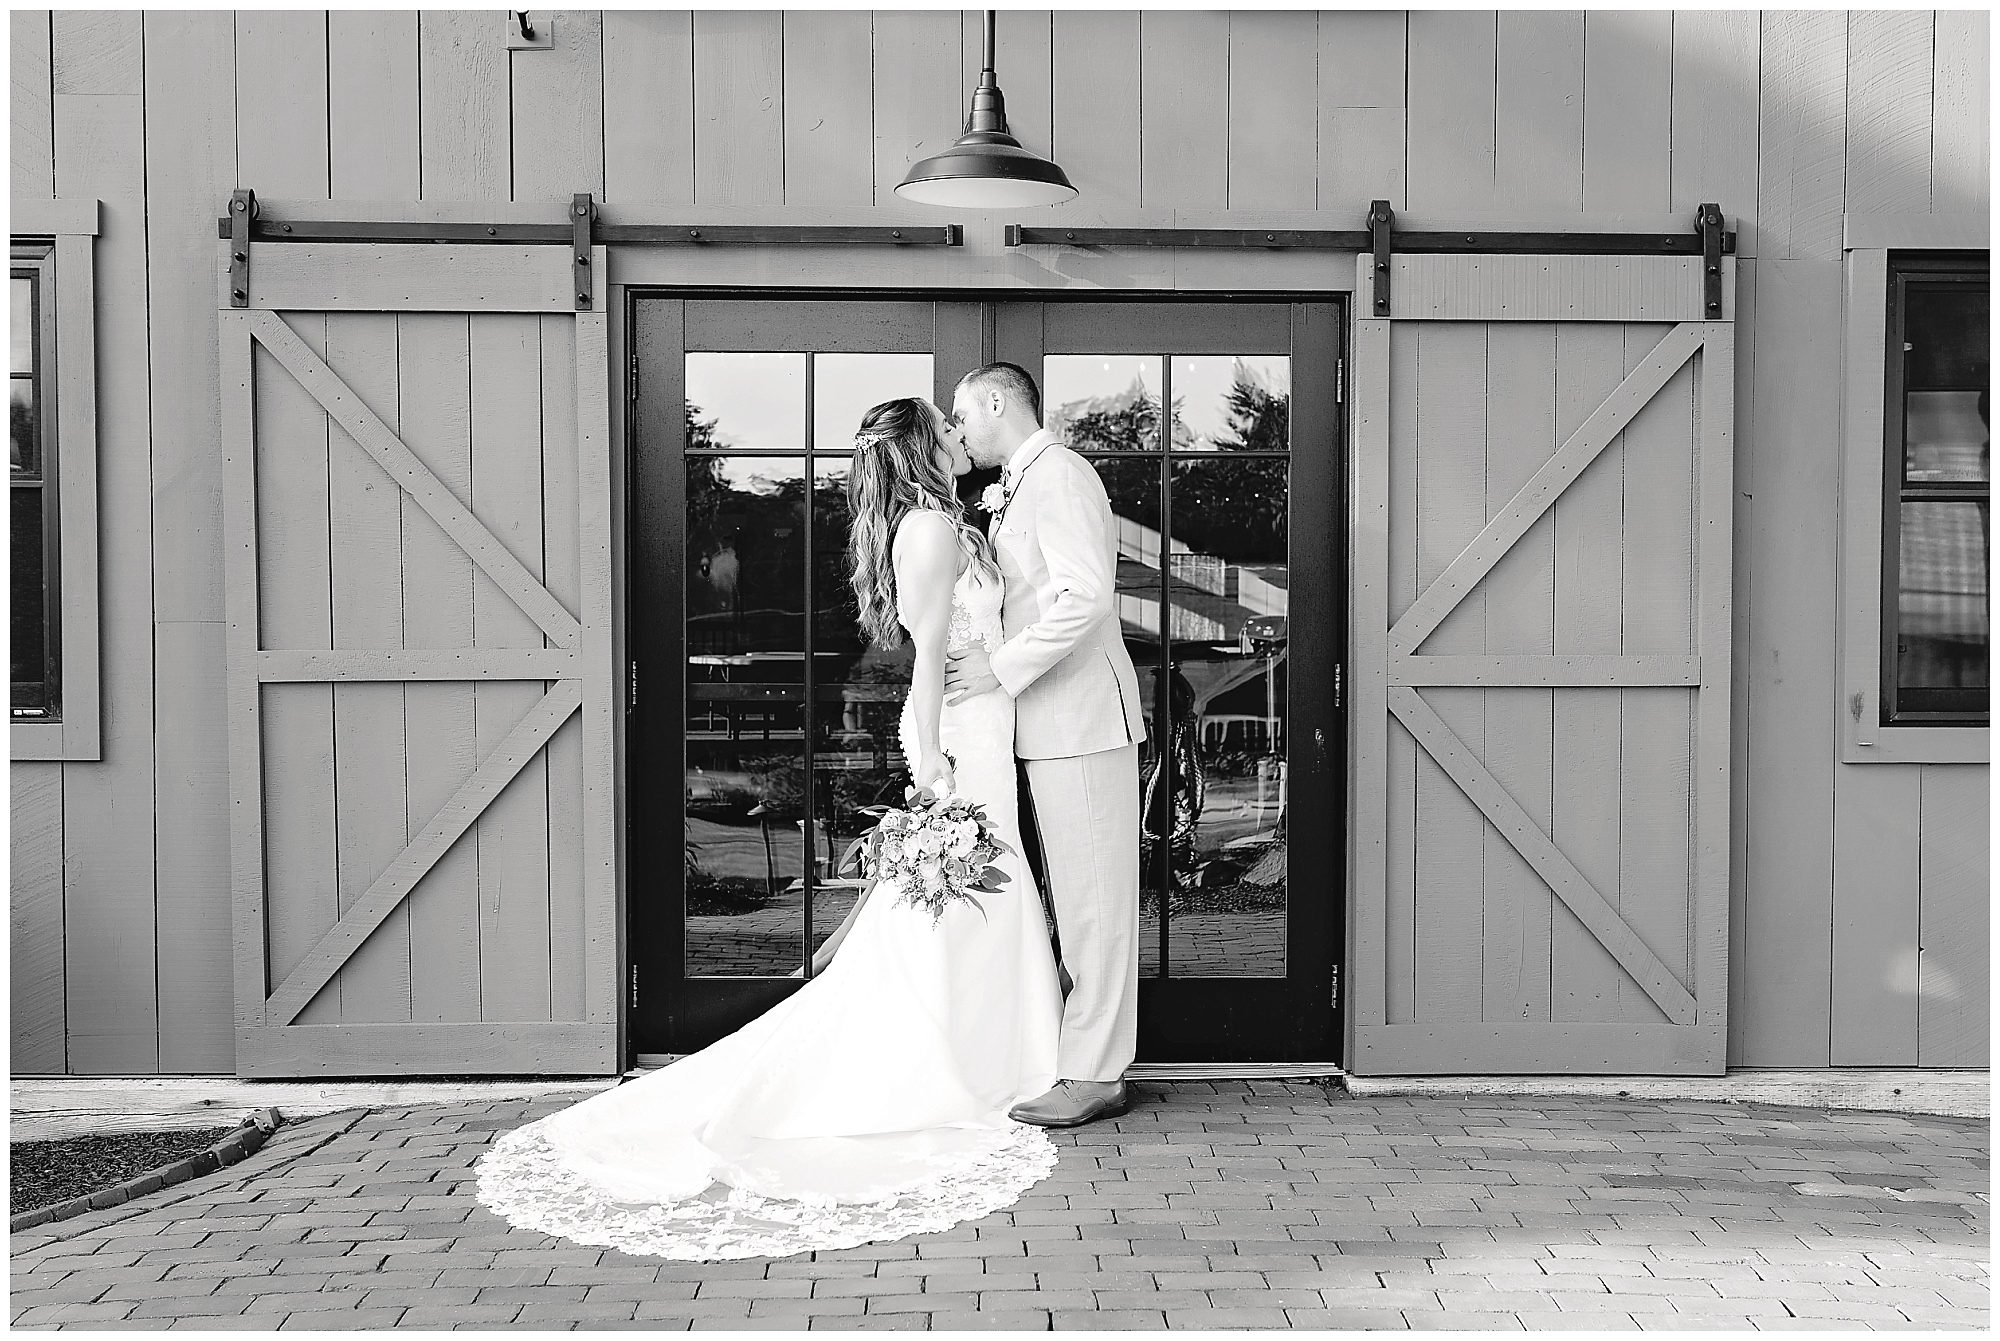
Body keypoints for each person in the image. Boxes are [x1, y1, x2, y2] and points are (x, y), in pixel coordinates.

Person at [472, 398, 1063, 1261]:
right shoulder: (932, 530)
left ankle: (992, 1057)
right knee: (962, 906)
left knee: (962, 909)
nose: (956, 434)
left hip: (982, 727)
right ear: (919, 447)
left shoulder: (941, 522)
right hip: (960, 738)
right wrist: (932, 760)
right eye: (944, 426)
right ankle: (960, 1068)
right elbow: (928, 653)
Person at [943, 362, 1148, 1128]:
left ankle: (1096, 1071)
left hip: (1084, 721)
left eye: (962, 411)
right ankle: (1084, 1052)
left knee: (1096, 902)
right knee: (1077, 897)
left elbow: (1087, 595)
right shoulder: (1018, 484)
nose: (958, 427)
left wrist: (999, 669)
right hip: (1051, 725)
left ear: (997, 400)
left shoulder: (1060, 475)